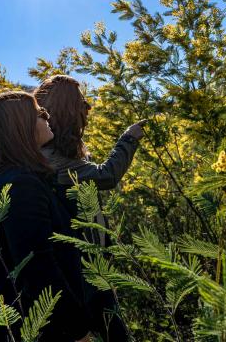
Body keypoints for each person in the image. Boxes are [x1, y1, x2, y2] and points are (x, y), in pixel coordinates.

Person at [0, 91, 92, 342]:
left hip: (5, 325)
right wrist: (76, 329)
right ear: (20, 127)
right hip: (36, 328)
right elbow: (39, 270)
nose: (46, 115)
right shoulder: (21, 185)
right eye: (38, 113)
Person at [34, 75, 145, 341]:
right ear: (66, 109)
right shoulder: (54, 160)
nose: (88, 106)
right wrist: (128, 139)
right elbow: (106, 175)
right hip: (80, 267)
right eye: (81, 101)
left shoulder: (56, 152)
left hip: (85, 263)